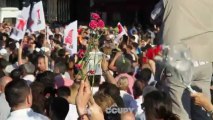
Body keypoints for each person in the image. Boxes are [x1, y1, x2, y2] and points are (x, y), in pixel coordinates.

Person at [160, 0, 213, 119]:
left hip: (179, 57)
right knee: (202, 110)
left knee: (180, 111)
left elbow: (153, 16)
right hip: (205, 58)